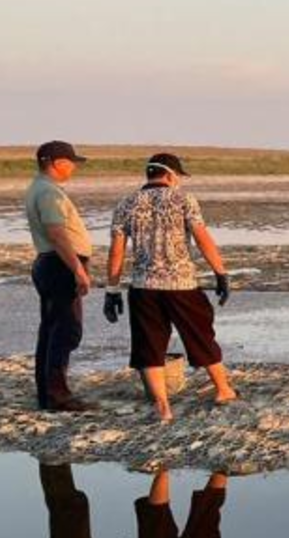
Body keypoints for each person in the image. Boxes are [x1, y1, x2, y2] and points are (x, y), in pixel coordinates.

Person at [102, 152, 238, 422]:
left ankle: (163, 406)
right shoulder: (184, 199)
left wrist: (112, 289)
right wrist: (220, 273)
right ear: (170, 175)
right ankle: (223, 390)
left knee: (149, 345)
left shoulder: (126, 203)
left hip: (143, 286)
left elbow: (116, 252)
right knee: (200, 335)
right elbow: (202, 238)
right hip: (182, 284)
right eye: (178, 176)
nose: (178, 181)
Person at [24, 140, 95, 411]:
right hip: (59, 266)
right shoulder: (48, 193)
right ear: (56, 162)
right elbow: (57, 233)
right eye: (71, 161)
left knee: (52, 328)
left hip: (51, 264)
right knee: (66, 329)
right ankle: (57, 394)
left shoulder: (41, 188)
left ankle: (48, 393)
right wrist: (77, 269)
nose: (74, 167)